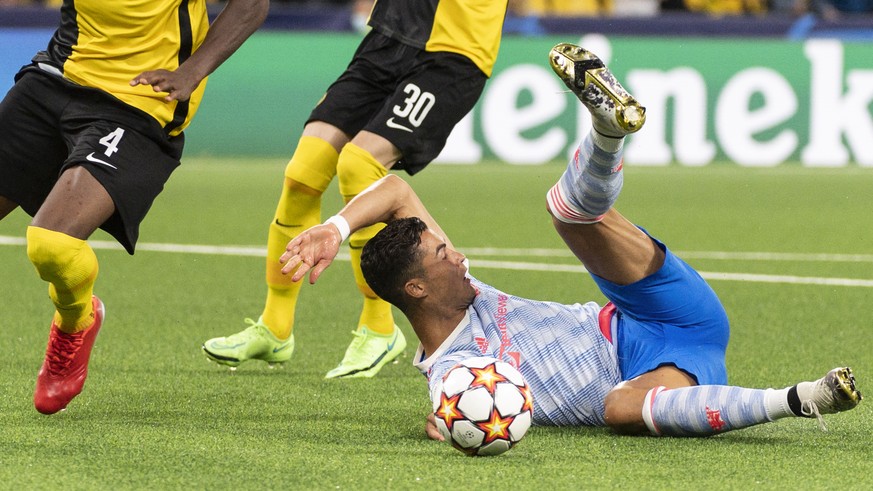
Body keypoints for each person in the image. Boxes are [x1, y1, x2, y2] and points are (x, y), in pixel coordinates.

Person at [278, 43, 862, 437]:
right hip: (659, 373)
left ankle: (607, 133)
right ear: (415, 287)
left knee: (569, 215)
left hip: (649, 311)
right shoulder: (453, 372)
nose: (457, 253)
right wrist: (449, 425)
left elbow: (395, 192)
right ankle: (800, 398)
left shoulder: (466, 290)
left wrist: (334, 228)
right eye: (441, 255)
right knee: (619, 409)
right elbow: (452, 412)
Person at [202, 0, 510, 379]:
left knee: (359, 163)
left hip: (453, 51)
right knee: (303, 173)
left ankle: (379, 327)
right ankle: (275, 326)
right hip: (388, 37)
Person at [0, 0, 270, 414]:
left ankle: (76, 320)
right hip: (56, 77)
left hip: (138, 102)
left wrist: (192, 72)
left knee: (51, 245)